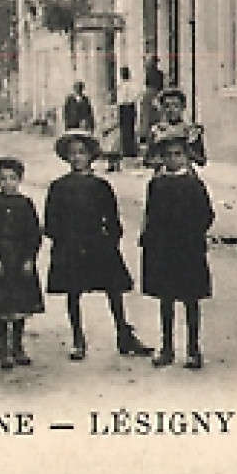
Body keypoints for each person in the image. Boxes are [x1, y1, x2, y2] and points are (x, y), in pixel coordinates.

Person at [42, 131, 154, 361]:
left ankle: (124, 335)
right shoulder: (58, 187)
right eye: (72, 154)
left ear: (91, 156)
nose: (76, 158)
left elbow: (112, 218)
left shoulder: (101, 186)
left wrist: (110, 239)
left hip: (98, 243)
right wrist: (63, 238)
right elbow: (51, 221)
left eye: (81, 153)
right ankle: (78, 339)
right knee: (73, 292)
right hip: (70, 244)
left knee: (114, 290)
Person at [141, 132, 215, 370]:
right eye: (168, 156)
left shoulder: (194, 185)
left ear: (186, 157)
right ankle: (167, 347)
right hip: (164, 250)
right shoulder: (156, 185)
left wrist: (192, 233)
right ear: (162, 159)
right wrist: (151, 241)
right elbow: (151, 216)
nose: (173, 160)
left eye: (178, 154)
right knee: (166, 299)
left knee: (191, 300)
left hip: (188, 249)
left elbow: (207, 215)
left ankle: (194, 349)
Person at [0, 157, 44, 369]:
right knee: (1, 305)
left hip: (19, 258)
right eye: (3, 179)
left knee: (20, 305)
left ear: (20, 180)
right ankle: (3, 349)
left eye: (12, 178)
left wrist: (29, 259)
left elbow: (34, 234)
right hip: (0, 258)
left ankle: (18, 346)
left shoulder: (25, 204)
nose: (8, 183)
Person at [144, 87, 207, 168]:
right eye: (167, 106)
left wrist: (188, 148)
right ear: (162, 109)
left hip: (185, 174)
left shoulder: (191, 130)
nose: (171, 110)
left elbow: (201, 160)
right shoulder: (156, 130)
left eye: (175, 106)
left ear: (182, 107)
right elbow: (147, 160)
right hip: (163, 174)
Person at [115, 67, 138, 174]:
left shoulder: (123, 86)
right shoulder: (131, 86)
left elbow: (122, 100)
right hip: (130, 107)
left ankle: (128, 151)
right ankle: (129, 150)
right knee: (129, 130)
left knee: (126, 130)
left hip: (125, 107)